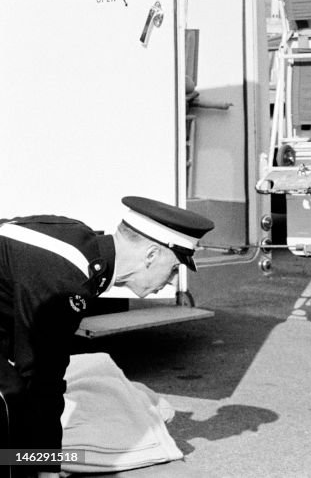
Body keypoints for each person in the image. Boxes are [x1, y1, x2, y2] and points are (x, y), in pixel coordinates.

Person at [0, 197, 213, 477]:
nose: (173, 280)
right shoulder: (67, 279)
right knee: (10, 398)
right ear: (151, 256)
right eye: (174, 268)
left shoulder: (81, 244)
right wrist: (47, 468)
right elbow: (42, 380)